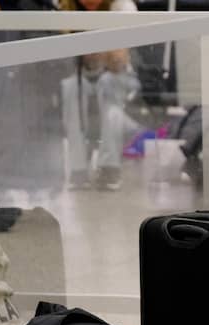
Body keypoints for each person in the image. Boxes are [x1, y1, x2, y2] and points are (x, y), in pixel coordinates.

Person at [59, 0, 141, 191]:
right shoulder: (65, 8)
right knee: (71, 87)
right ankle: (77, 168)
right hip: (83, 77)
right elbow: (64, 59)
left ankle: (109, 167)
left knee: (107, 83)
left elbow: (119, 61)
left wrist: (94, 50)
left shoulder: (122, 8)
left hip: (120, 80)